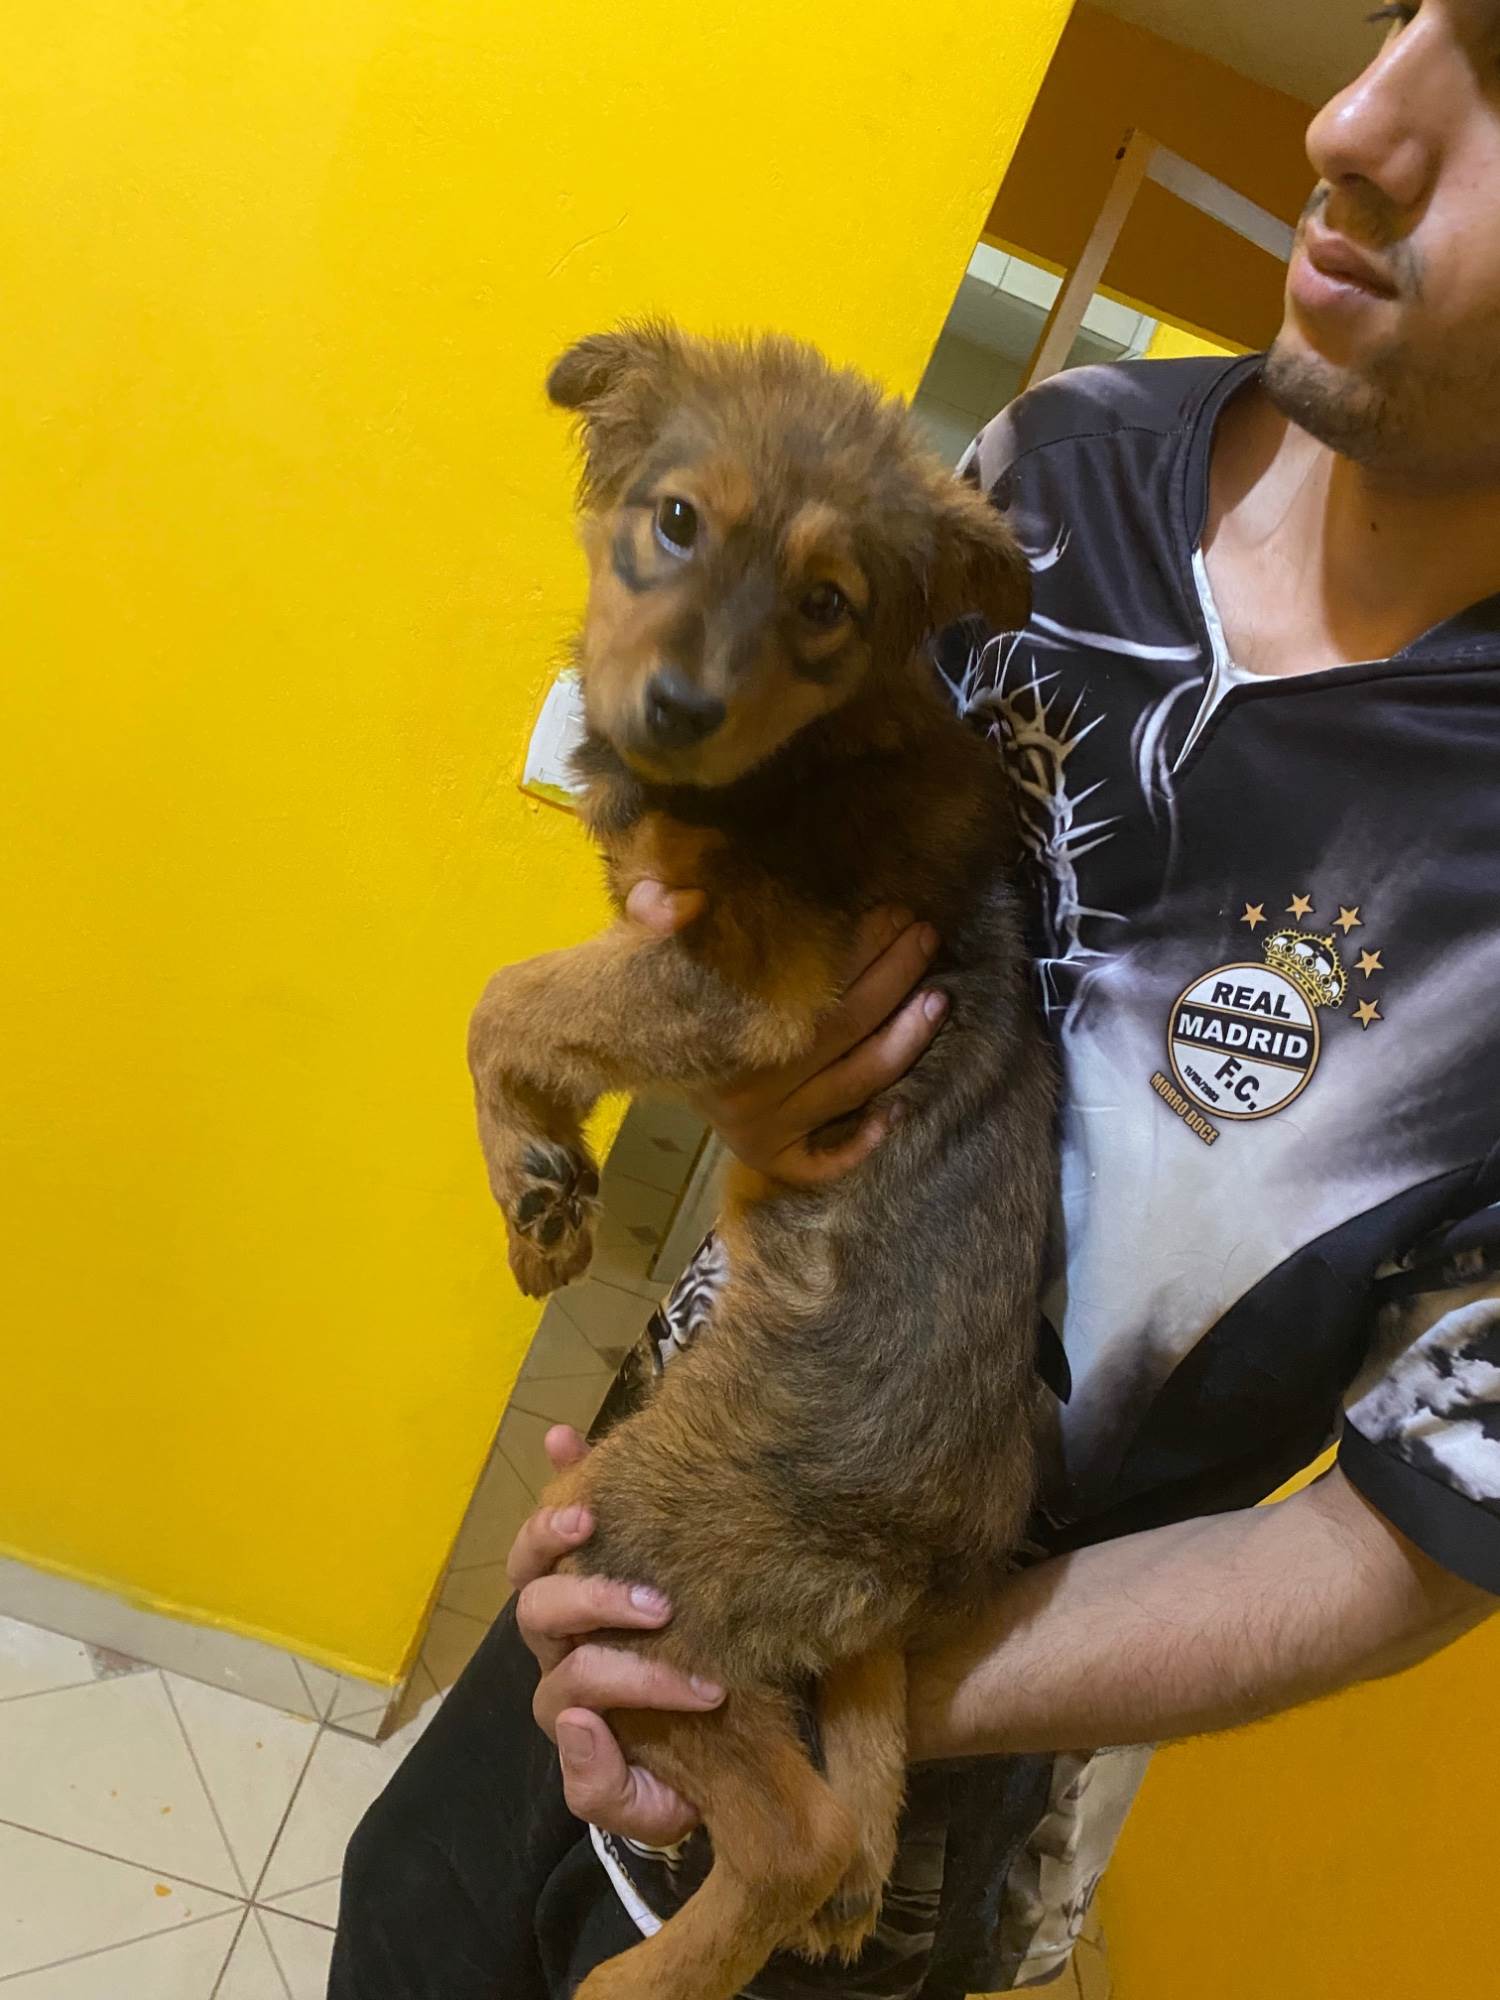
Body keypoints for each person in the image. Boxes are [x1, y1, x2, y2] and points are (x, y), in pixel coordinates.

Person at [330, 5, 1500, 1993]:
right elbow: (774, 866)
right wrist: (745, 1059)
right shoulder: (1059, 468)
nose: (1353, 122)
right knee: (404, 1920)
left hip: (917, 1731)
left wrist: (817, 1678)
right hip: (670, 1495)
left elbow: (1411, 1536)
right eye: (1403, 12)